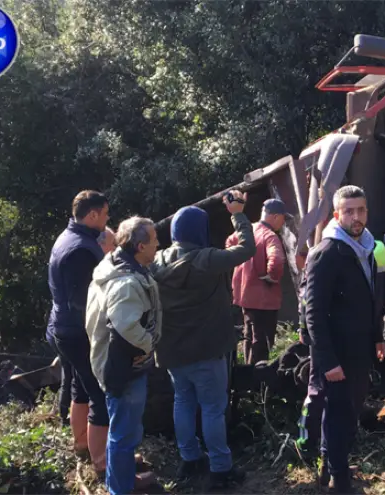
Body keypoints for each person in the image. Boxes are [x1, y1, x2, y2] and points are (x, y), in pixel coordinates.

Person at [150, 192, 255, 487]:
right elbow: (247, 249)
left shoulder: (157, 261)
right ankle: (220, 469)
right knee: (212, 409)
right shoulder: (207, 259)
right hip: (207, 351)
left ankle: (190, 459)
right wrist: (238, 214)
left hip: (172, 352)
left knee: (182, 401)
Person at [304, 185, 385, 493]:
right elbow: (313, 314)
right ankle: (339, 480)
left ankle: (331, 464)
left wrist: (377, 337)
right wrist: (327, 361)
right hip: (336, 352)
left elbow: (371, 299)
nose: (356, 216)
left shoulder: (367, 248)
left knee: (350, 410)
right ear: (337, 215)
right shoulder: (327, 253)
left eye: (361, 210)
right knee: (338, 413)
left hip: (360, 348)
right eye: (348, 211)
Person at [86, 216, 162, 495]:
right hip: (124, 366)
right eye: (154, 240)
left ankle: (123, 479)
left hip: (114, 360)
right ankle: (120, 489)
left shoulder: (115, 264)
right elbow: (126, 327)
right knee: (124, 432)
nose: (158, 245)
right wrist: (148, 345)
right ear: (140, 246)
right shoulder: (127, 282)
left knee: (124, 428)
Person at [46, 190, 110, 473]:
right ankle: (102, 462)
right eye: (105, 214)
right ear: (93, 214)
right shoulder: (80, 250)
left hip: (65, 327)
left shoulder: (68, 237)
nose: (107, 219)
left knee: (80, 388)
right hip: (78, 331)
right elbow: (82, 300)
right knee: (99, 393)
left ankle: (83, 445)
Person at [228, 198, 288, 364]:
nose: (283, 223)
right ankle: (258, 375)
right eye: (283, 218)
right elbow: (276, 261)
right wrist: (272, 276)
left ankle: (248, 372)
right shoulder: (270, 236)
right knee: (262, 342)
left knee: (249, 336)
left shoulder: (247, 230)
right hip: (264, 301)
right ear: (275, 216)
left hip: (244, 296)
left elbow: (229, 243)